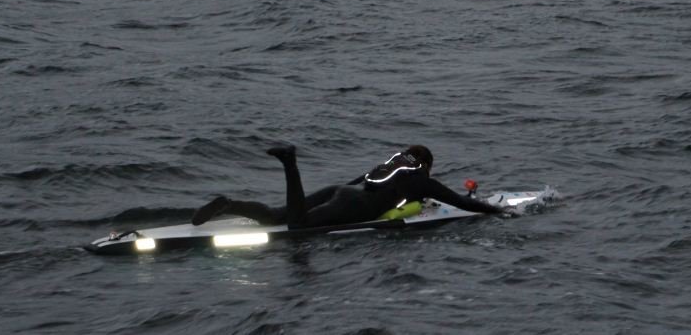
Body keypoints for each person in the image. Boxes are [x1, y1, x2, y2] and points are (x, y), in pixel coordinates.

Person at [190, 143, 503, 229]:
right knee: (298, 226)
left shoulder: (389, 167)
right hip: (353, 205)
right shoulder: (422, 180)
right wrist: (497, 211)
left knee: (275, 216)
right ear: (427, 165)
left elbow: (356, 183)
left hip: (341, 191)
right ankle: (289, 163)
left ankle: (229, 204)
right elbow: (464, 203)